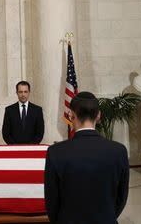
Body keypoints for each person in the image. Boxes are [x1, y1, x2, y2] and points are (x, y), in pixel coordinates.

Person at [45, 91, 129, 224]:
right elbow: (121, 198)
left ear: (71, 115)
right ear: (99, 115)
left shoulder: (55, 152)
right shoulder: (119, 151)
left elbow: (52, 202)